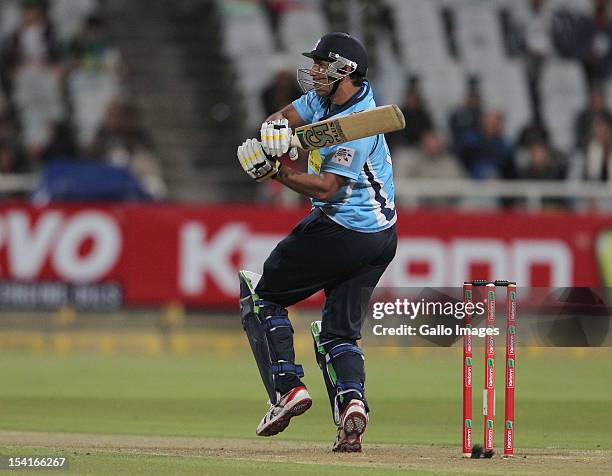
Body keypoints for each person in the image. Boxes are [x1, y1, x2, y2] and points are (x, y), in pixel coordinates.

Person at [236, 32, 397, 453]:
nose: (315, 71)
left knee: (260, 294)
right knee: (337, 334)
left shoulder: (358, 122)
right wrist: (274, 134)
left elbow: (327, 188)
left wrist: (277, 172)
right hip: (381, 239)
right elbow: (282, 117)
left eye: (323, 65)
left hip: (343, 229)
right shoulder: (324, 100)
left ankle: (286, 389)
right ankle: (351, 409)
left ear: (344, 71)